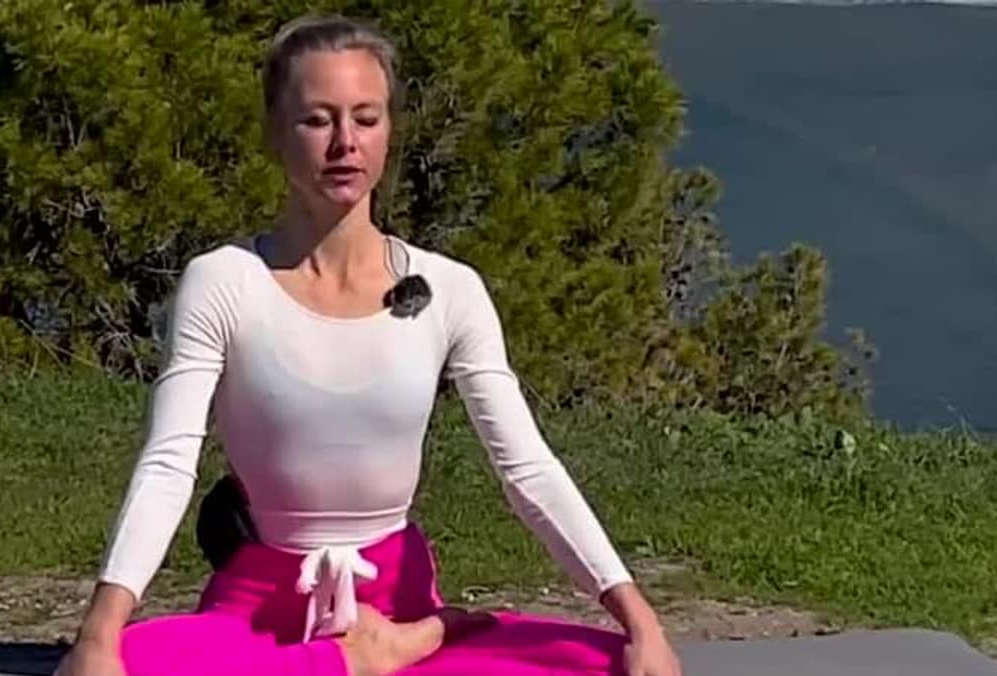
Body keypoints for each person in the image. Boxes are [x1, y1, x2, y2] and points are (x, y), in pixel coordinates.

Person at [53, 14, 683, 676]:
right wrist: (100, 634)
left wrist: (640, 621)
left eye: (366, 118)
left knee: (608, 665)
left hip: (399, 609)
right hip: (258, 616)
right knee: (127, 666)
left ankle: (374, 653)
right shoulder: (225, 281)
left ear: (389, 131)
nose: (344, 143)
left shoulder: (451, 289)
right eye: (316, 120)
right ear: (275, 131)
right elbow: (169, 463)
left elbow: (527, 469)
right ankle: (352, 662)